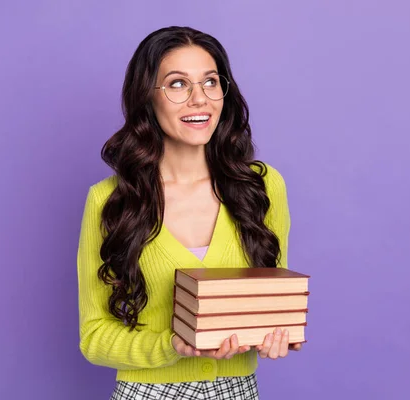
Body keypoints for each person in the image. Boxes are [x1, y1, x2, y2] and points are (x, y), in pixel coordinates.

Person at [77, 26, 302, 400]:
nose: (200, 99)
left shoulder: (262, 187)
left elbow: (270, 302)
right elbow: (94, 336)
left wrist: (275, 333)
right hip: (147, 393)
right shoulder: (110, 200)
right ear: (147, 99)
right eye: (178, 84)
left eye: (211, 82)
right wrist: (172, 345)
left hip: (238, 390)